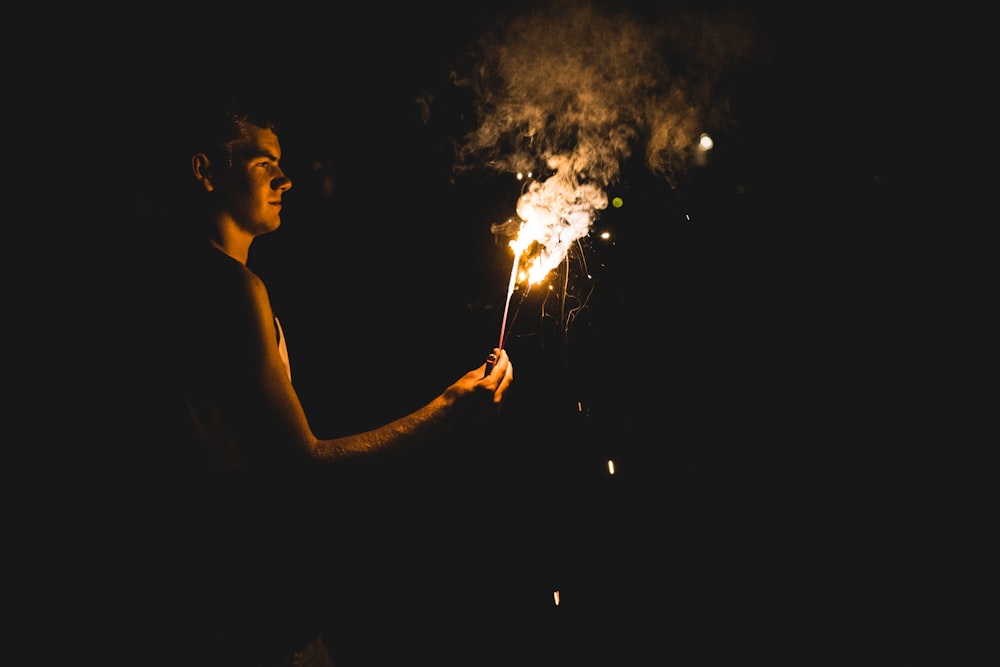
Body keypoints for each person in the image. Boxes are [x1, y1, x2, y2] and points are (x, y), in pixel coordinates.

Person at [115, 99, 515, 666]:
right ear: (205, 172)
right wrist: (446, 412)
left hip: (217, 603)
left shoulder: (174, 275)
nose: (286, 178)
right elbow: (299, 466)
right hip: (243, 614)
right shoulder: (230, 289)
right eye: (263, 164)